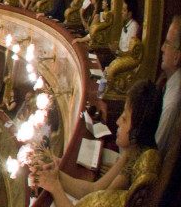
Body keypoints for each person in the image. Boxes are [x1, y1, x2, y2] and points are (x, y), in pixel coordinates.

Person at [34, 80, 161, 207]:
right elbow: (94, 189)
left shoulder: (134, 163)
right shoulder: (132, 152)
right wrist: (57, 175)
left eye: (124, 118)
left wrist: (55, 188)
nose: (117, 121)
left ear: (137, 131)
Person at [157, 14, 180, 149]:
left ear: (177, 57)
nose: (162, 48)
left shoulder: (173, 102)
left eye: (167, 43)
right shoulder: (167, 80)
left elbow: (155, 150)